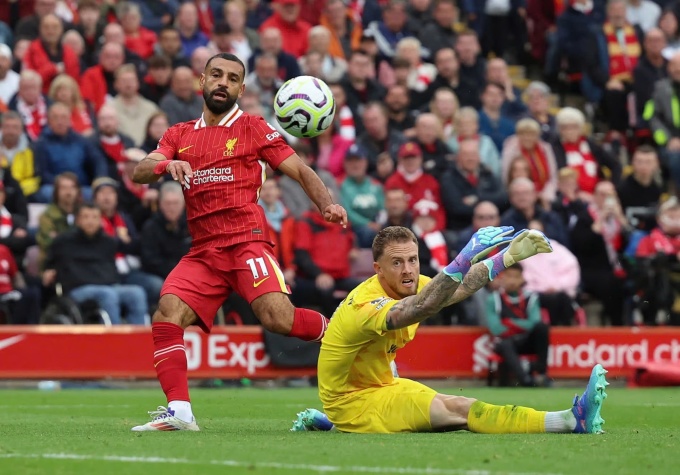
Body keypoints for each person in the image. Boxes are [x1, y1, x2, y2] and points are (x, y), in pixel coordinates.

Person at [130, 53, 347, 431]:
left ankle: (349, 331)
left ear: (241, 89)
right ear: (202, 81)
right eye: (216, 75)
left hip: (246, 241)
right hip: (203, 251)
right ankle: (179, 412)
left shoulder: (253, 127)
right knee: (167, 312)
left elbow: (300, 169)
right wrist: (167, 164)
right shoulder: (179, 133)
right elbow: (140, 170)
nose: (223, 83)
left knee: (278, 318)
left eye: (232, 79)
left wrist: (327, 205)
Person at [291, 225, 608, 435]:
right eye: (397, 263)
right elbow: (419, 308)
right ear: (378, 269)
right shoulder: (364, 306)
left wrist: (507, 257)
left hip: (382, 385)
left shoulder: (413, 285)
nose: (409, 270)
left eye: (413, 260)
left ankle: (329, 424)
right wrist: (463, 257)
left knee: (450, 409)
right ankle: (567, 420)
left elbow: (455, 289)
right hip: (352, 400)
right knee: (458, 409)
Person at [42, 202, 147, 325]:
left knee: (136, 293)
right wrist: (48, 270)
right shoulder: (64, 241)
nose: (90, 221)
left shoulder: (108, 242)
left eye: (94, 217)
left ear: (100, 220)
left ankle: (139, 338)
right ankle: (115, 339)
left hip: (109, 285)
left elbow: (134, 246)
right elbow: (49, 262)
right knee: (107, 294)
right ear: (78, 220)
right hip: (78, 289)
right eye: (86, 217)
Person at [485, 263, 551, 387]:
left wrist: (509, 323)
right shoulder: (494, 299)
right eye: (509, 276)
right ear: (502, 278)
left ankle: (541, 371)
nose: (512, 281)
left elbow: (534, 323)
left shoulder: (531, 297)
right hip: (505, 342)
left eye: (516, 277)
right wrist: (522, 325)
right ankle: (526, 380)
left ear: (522, 279)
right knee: (505, 344)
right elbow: (495, 328)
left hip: (525, 341)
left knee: (541, 327)